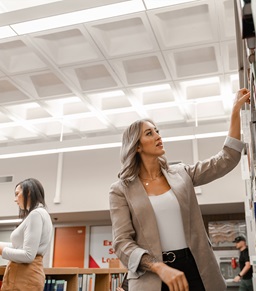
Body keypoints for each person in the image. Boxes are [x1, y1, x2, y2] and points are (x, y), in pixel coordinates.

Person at [109, 88, 250, 291]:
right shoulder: (121, 190)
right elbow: (122, 243)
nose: (158, 136)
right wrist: (159, 267)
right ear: (136, 147)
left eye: (157, 131)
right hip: (153, 275)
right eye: (150, 133)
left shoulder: (181, 173)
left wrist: (235, 111)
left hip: (196, 268)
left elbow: (226, 160)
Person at [0, 178, 53, 291]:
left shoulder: (36, 214)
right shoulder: (40, 213)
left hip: (24, 276)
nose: (15, 199)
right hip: (24, 275)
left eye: (17, 194)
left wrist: (2, 250)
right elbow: (21, 247)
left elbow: (28, 255)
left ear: (28, 191)